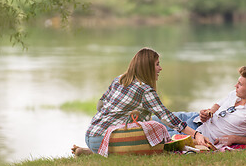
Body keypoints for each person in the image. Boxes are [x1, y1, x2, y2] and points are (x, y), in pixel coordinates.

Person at [72, 47, 210, 156]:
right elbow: (167, 117)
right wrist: (196, 134)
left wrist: (118, 114)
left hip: (91, 134)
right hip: (106, 139)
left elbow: (99, 105)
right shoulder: (145, 90)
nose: (160, 68)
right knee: (159, 138)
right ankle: (100, 150)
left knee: (154, 124)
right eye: (157, 65)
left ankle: (92, 151)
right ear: (147, 68)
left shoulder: (119, 79)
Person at [152, 66, 246, 148]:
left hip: (201, 136)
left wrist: (234, 138)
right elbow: (218, 105)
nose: (235, 85)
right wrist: (209, 112)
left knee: (152, 133)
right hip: (195, 119)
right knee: (153, 119)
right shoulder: (236, 94)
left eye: (240, 84)